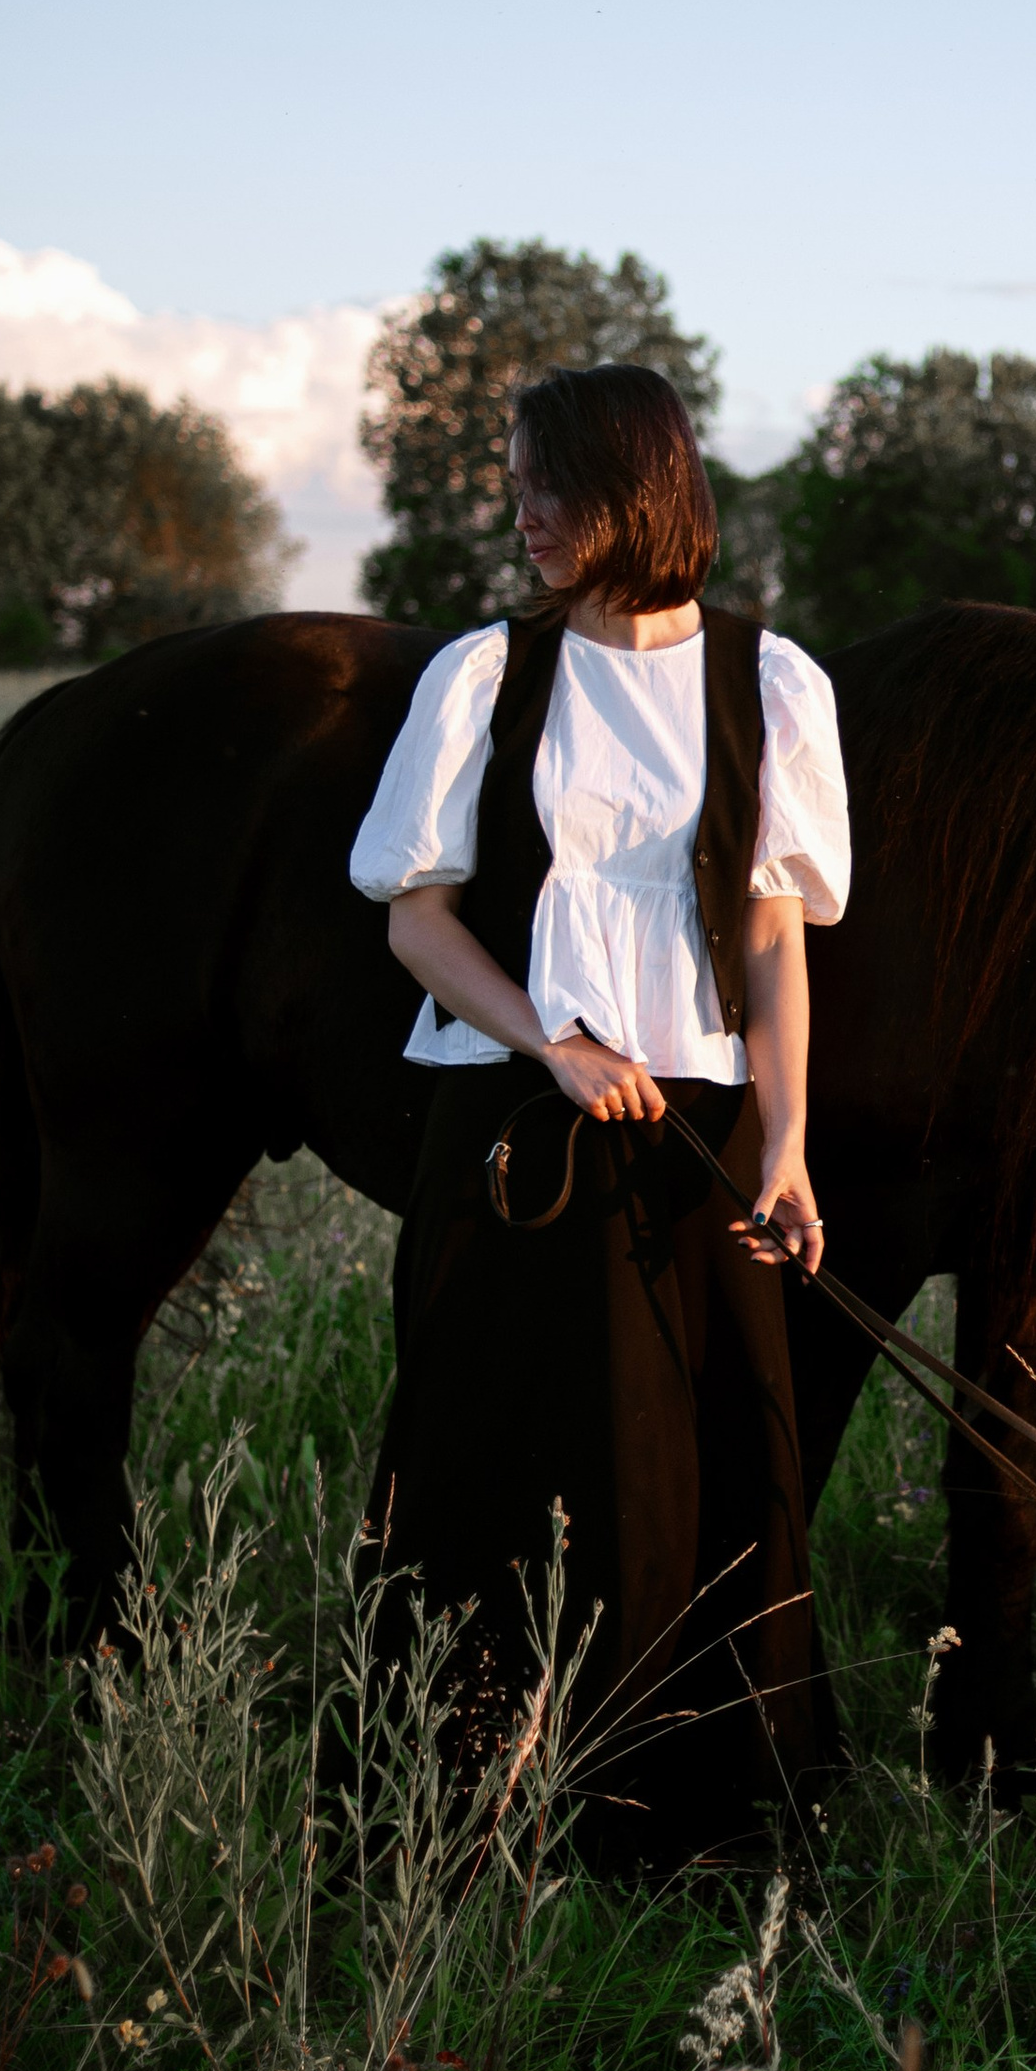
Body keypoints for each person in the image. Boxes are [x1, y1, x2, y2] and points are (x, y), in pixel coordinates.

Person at [347, 362, 851, 1846]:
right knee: (487, 1457)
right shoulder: (486, 674)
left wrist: (794, 1141)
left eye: (544, 488)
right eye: (514, 488)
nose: (524, 518)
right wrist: (551, 1040)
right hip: (515, 1133)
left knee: (702, 1469)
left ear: (634, 488)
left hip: (701, 1135)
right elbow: (416, 920)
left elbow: (771, 937)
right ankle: (466, 1801)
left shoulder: (769, 682)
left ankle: (682, 1817)